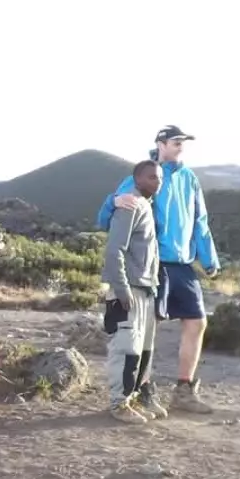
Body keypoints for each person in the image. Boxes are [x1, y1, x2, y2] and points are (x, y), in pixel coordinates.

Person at [96, 125, 219, 415]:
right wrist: (112, 202)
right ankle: (143, 390)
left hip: (183, 264)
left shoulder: (189, 178)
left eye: (183, 142)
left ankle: (184, 391)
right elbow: (111, 215)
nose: (181, 146)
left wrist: (208, 258)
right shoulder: (142, 177)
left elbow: (200, 220)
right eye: (176, 142)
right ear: (161, 144)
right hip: (154, 263)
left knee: (197, 322)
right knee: (147, 328)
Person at [102, 160, 163, 424]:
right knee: (127, 348)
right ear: (137, 179)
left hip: (147, 288)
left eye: (159, 178)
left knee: (143, 350)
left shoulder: (146, 206)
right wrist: (121, 288)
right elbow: (114, 250)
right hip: (130, 289)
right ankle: (119, 404)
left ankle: (133, 397)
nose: (157, 182)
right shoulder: (130, 205)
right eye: (151, 177)